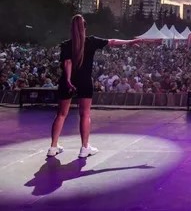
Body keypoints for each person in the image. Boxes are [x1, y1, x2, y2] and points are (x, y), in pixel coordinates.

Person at [47, 14, 142, 158]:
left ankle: (53, 147)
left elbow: (67, 63)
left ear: (71, 29)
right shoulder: (91, 42)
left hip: (66, 82)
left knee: (61, 114)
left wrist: (68, 80)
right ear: (84, 27)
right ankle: (85, 148)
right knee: (85, 114)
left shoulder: (66, 45)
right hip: (84, 81)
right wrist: (129, 42)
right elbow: (112, 41)